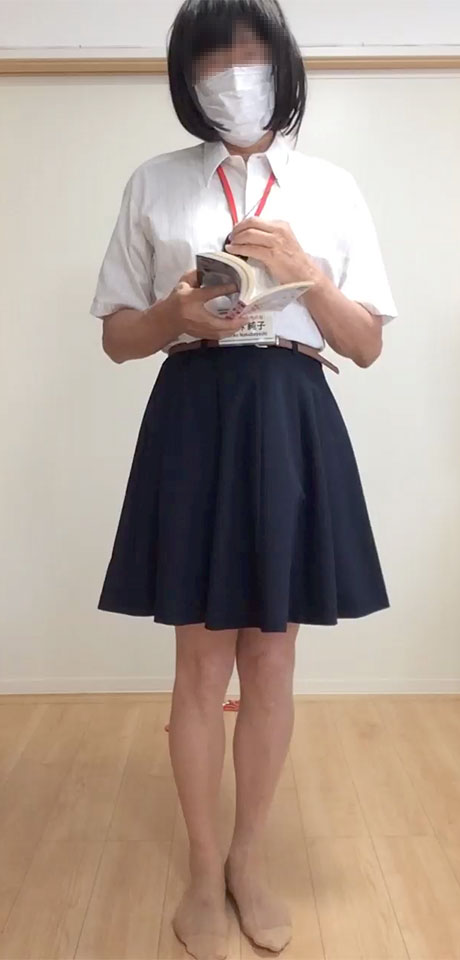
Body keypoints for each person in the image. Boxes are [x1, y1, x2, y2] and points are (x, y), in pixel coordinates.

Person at [90, 1, 398, 957]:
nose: (233, 77)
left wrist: (307, 273)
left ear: (283, 66)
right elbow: (117, 338)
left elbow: (366, 346)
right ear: (187, 79)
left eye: (250, 57)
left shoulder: (333, 188)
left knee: (271, 658)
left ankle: (248, 861)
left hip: (290, 413)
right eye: (212, 62)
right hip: (196, 412)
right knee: (198, 662)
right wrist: (175, 317)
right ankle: (199, 867)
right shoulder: (154, 183)